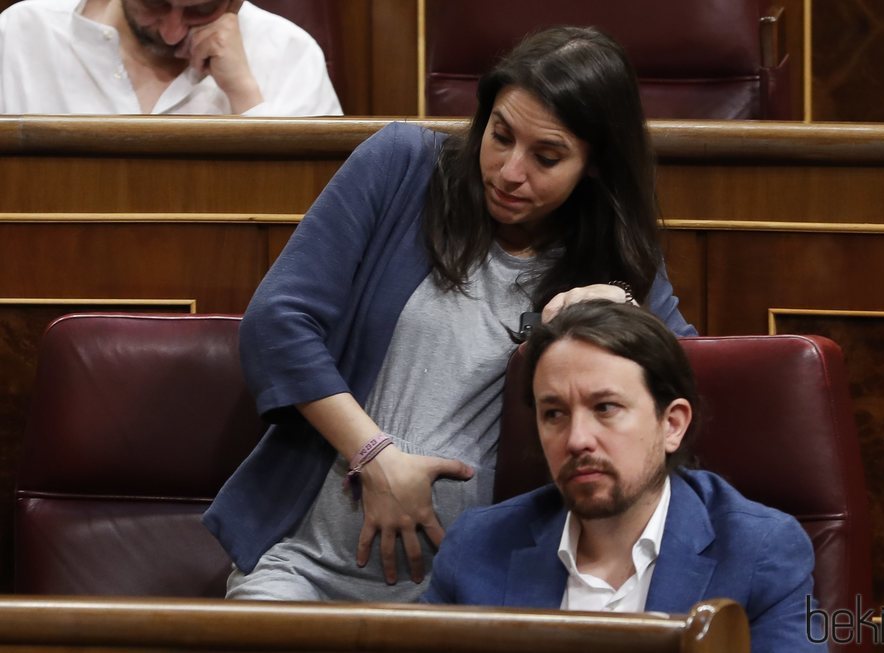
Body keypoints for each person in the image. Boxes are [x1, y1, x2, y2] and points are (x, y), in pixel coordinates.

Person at [203, 25, 696, 602]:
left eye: (547, 157)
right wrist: (375, 456)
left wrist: (626, 310)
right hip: (303, 569)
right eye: (501, 135)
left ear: (593, 165)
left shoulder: (613, 253)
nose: (511, 171)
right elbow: (276, 323)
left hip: (480, 592)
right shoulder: (402, 168)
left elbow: (687, 382)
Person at [422, 301, 823, 653]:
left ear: (672, 425)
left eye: (606, 408)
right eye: (554, 414)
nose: (577, 440)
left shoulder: (758, 553)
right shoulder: (478, 546)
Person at [0, 0, 342, 115]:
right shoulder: (19, 36)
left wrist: (244, 94)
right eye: (154, 4)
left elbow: (323, 228)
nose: (172, 33)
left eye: (201, 9)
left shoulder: (291, 54)